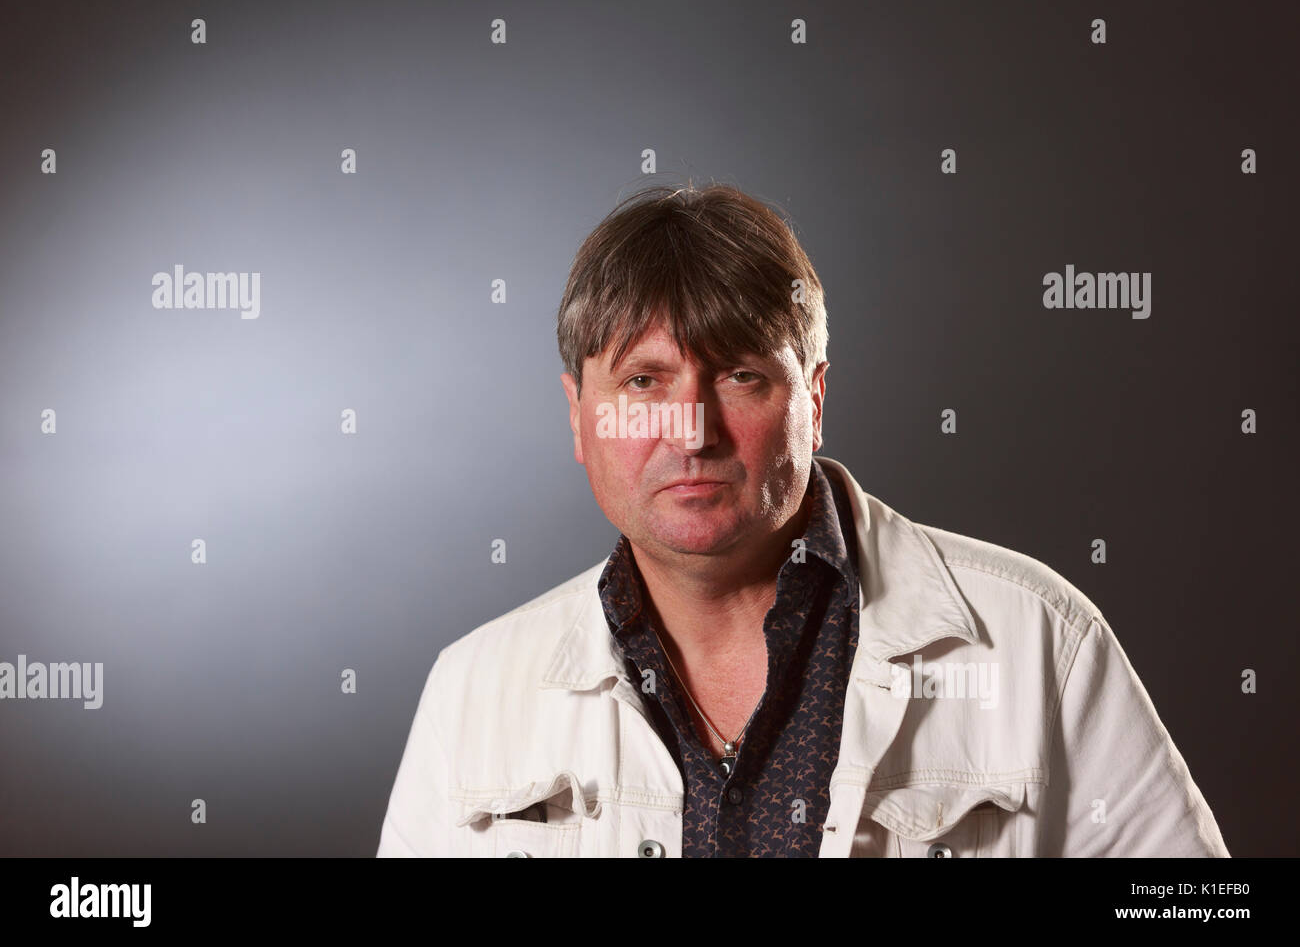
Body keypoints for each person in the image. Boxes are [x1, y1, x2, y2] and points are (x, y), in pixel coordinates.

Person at [376, 182, 1229, 857]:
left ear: (813, 398)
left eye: (741, 375)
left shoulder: (1040, 642)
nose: (692, 428)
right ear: (579, 416)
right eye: (643, 382)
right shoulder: (473, 694)